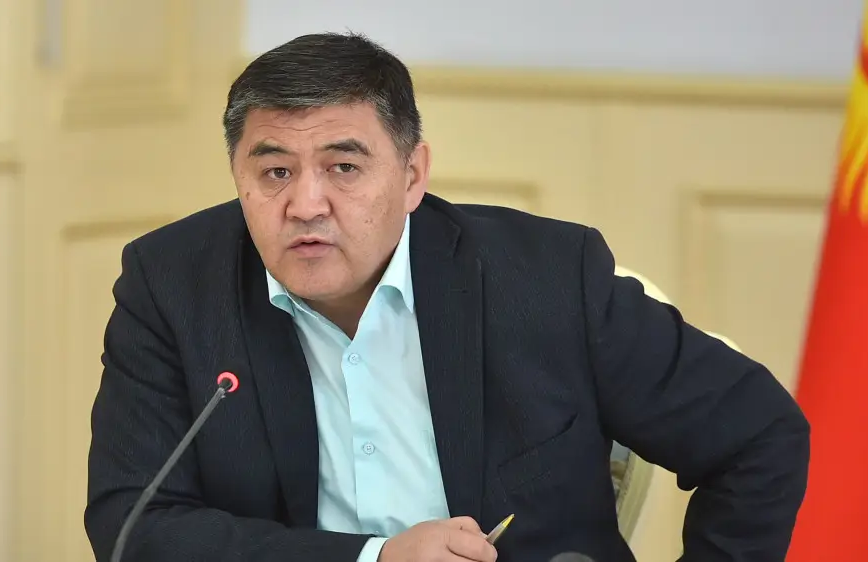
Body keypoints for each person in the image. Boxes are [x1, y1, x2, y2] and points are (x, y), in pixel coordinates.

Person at [84, 32, 810, 562]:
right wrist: (373, 558)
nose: (306, 204)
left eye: (343, 167)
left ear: (412, 176)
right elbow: (132, 523)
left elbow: (758, 434)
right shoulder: (171, 285)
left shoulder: (546, 278)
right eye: (274, 172)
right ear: (238, 176)